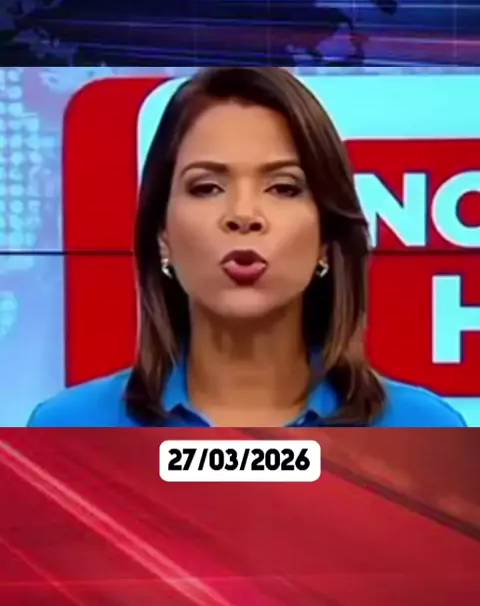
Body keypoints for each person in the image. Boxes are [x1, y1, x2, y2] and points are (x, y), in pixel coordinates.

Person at [28, 67, 465, 427]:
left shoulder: (424, 430)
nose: (243, 215)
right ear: (162, 234)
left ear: (326, 237)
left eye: (283, 187)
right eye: (206, 187)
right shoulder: (68, 428)